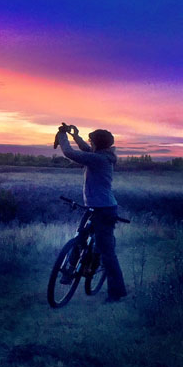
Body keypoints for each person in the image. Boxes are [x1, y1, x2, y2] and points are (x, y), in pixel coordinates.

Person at [57, 123, 128, 303]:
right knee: (80, 237)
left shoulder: (99, 159)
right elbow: (85, 149)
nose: (90, 144)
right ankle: (69, 272)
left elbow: (71, 154)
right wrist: (75, 136)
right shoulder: (101, 155)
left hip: (103, 209)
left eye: (91, 141)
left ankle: (117, 292)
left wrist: (61, 136)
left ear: (97, 144)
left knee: (107, 252)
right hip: (95, 206)